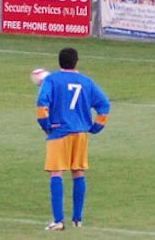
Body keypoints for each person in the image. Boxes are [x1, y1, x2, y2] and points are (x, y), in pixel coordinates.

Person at [38, 47, 110, 231]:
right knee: (78, 172)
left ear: (59, 62)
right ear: (76, 62)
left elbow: (42, 105)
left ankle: (58, 221)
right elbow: (104, 106)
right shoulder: (86, 82)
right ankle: (77, 219)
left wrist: (46, 126)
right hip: (81, 133)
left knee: (56, 173)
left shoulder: (51, 79)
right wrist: (95, 127)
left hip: (59, 132)